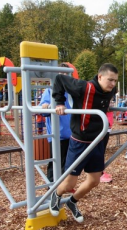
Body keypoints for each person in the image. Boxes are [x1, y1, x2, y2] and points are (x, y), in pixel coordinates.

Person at [49, 63, 118, 223]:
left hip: (98, 140)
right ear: (100, 77)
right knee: (69, 183)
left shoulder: (111, 90)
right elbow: (59, 79)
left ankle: (72, 202)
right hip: (80, 141)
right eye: (110, 80)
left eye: (115, 81)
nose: (113, 84)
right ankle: (56, 194)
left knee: (94, 181)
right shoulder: (83, 87)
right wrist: (60, 102)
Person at [39, 88, 72, 184]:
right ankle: (52, 187)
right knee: (55, 162)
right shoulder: (50, 90)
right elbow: (44, 110)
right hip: (58, 135)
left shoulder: (71, 90)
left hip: (72, 133)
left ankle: (64, 185)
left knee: (69, 162)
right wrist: (45, 106)